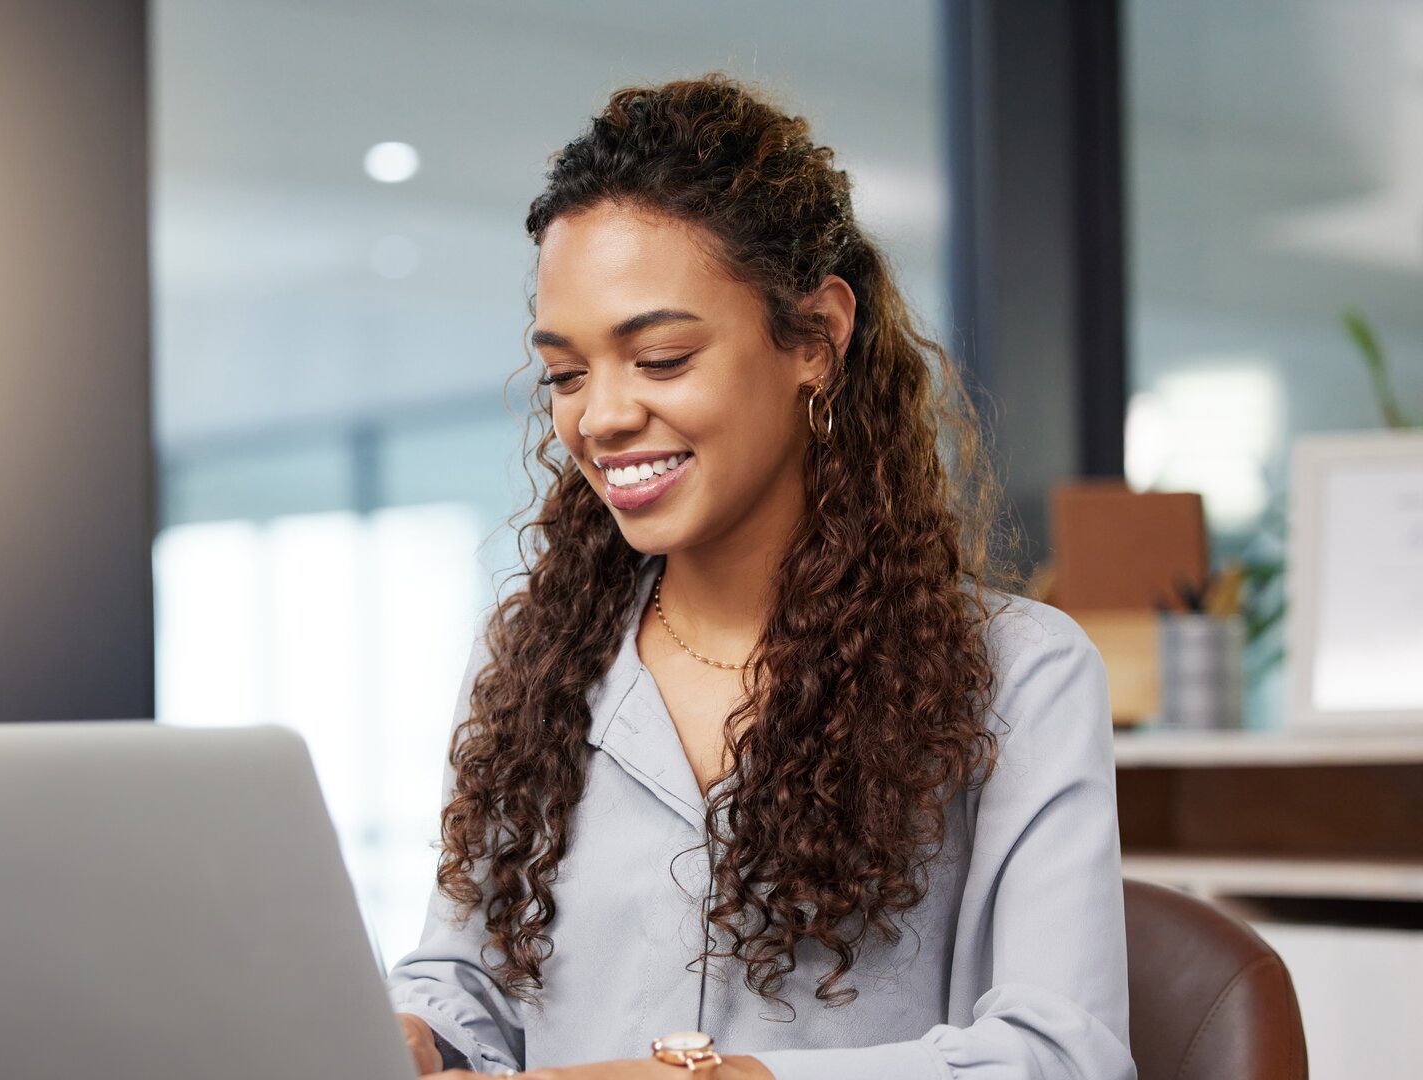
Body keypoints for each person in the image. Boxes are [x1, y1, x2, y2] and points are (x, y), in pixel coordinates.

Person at [385, 74, 1134, 1080]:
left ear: (816, 340)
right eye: (565, 373)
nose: (599, 417)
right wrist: (417, 1038)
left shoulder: (1018, 676)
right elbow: (467, 982)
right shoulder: (531, 662)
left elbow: (1065, 1058)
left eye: (660, 358)